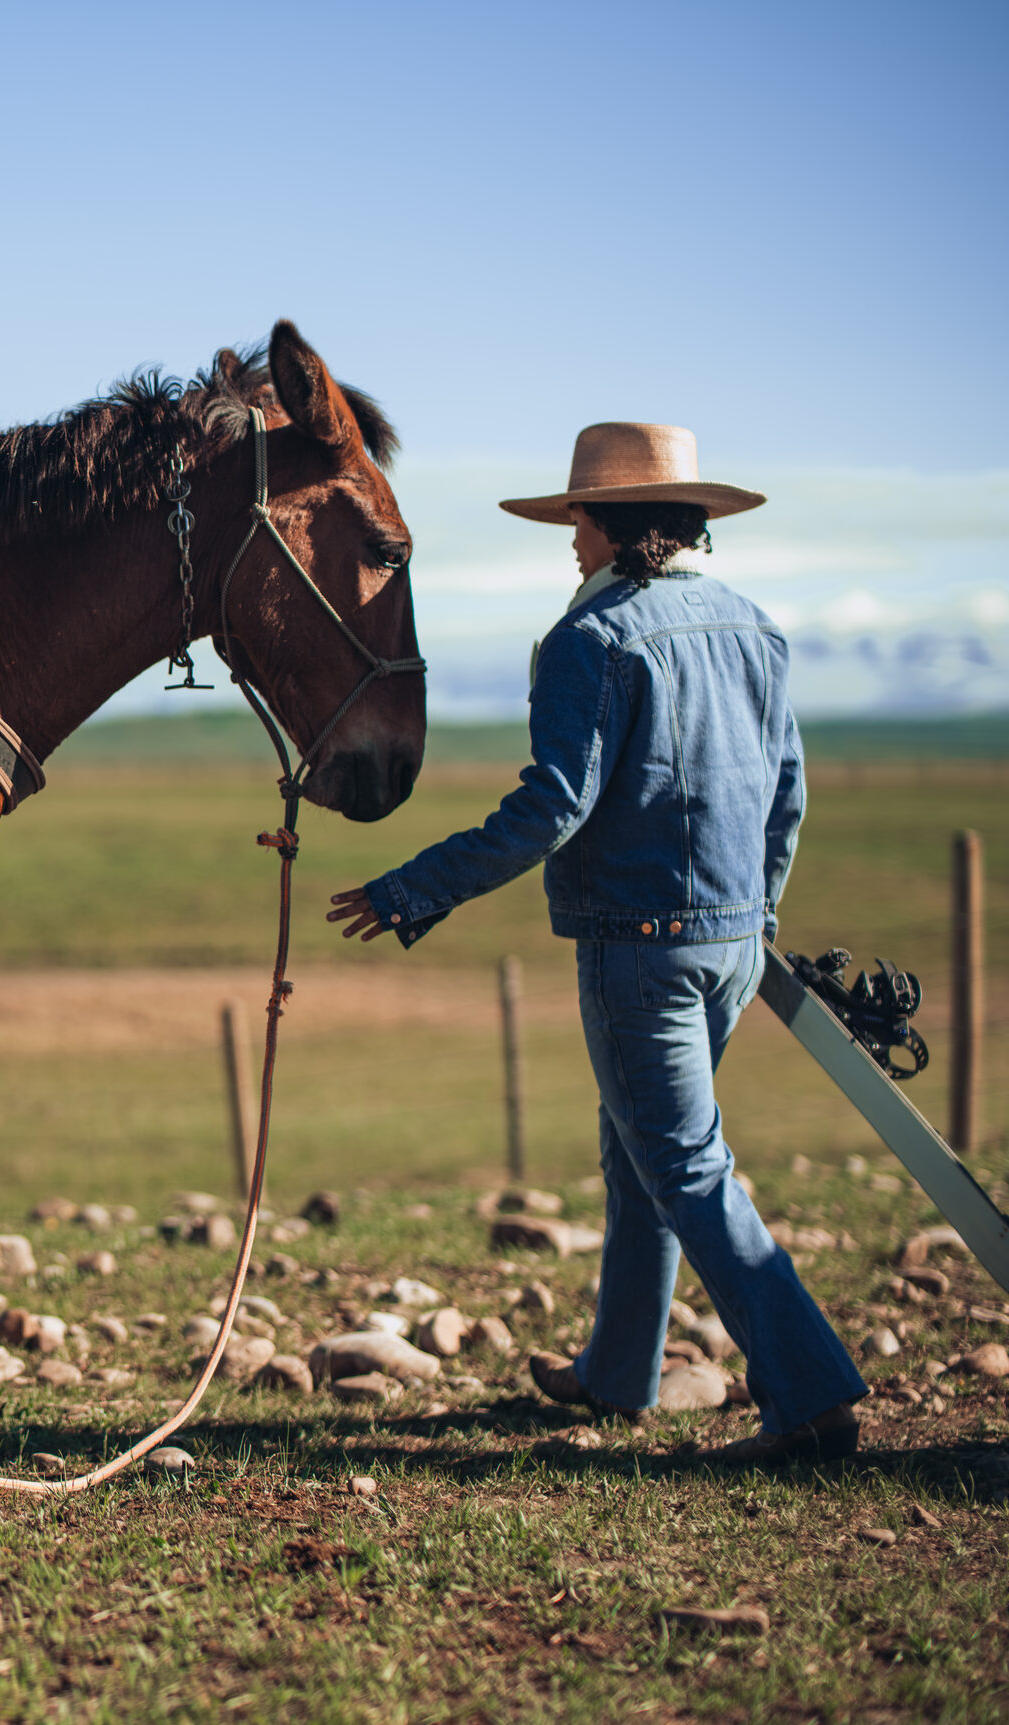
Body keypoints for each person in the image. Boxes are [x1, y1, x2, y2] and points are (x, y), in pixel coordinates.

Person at [327, 422, 866, 1464]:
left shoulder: (592, 637)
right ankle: (619, 1374)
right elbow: (788, 790)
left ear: (612, 525)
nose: (568, 539)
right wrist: (756, 913)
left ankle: (810, 1398)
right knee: (642, 1158)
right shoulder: (756, 626)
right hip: (732, 939)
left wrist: (414, 888)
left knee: (685, 1167)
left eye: (575, 518)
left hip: (641, 948)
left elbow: (552, 808)